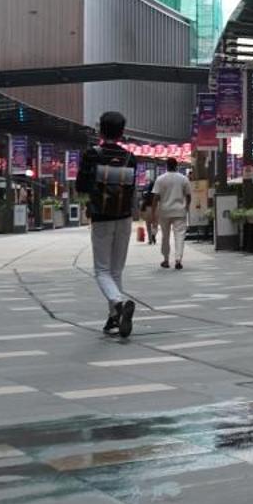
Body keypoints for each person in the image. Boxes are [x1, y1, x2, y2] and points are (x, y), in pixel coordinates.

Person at [77, 110, 139, 339]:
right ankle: (114, 319)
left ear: (100, 131)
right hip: (124, 217)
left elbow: (82, 186)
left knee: (102, 270)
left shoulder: (92, 154)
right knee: (116, 270)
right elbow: (131, 190)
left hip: (102, 218)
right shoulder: (130, 157)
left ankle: (118, 304)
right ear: (122, 132)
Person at [147, 157, 193, 270]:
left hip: (165, 212)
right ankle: (178, 259)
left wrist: (153, 213)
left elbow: (155, 198)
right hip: (179, 211)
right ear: (176, 165)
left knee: (165, 236)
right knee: (180, 236)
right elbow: (188, 195)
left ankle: (166, 260)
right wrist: (186, 207)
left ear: (166, 166)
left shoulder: (160, 179)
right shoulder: (183, 179)